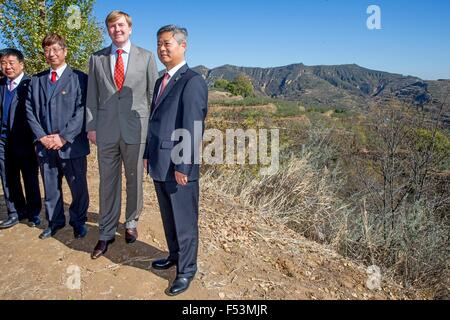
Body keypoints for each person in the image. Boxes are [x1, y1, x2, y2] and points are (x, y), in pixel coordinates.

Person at [86, 11, 158, 259]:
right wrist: (91, 126)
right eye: (111, 26)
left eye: (120, 25)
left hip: (137, 130)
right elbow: (91, 96)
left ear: (130, 28)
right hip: (105, 130)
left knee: (134, 180)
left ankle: (130, 222)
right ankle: (105, 233)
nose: (116, 29)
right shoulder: (96, 59)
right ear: (108, 31)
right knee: (108, 183)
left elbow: (153, 98)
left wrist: (152, 134)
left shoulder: (147, 58)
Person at [144, 25, 208, 296]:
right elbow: (155, 122)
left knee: (184, 220)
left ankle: (186, 270)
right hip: (159, 161)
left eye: (167, 43)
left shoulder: (192, 81)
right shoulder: (161, 81)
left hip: (179, 165)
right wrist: (147, 154)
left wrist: (184, 165)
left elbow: (193, 126)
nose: (162, 48)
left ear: (183, 46)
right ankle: (174, 255)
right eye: (159, 43)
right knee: (168, 217)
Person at [26, 34, 89, 239]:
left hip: (71, 145)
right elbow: (29, 110)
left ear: (65, 51)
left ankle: (78, 221)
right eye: (47, 50)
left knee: (78, 186)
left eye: (55, 50)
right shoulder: (36, 80)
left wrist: (63, 137)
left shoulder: (80, 78)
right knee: (51, 187)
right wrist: (42, 137)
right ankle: (55, 222)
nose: (51, 54)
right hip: (45, 145)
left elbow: (82, 110)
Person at [0, 48, 41, 229]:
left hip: (25, 140)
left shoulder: (31, 84)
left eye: (11, 63)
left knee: (30, 177)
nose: (7, 67)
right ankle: (15, 212)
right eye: (3, 63)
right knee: (8, 178)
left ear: (21, 64)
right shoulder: (1, 85)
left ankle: (34, 213)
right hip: (3, 141)